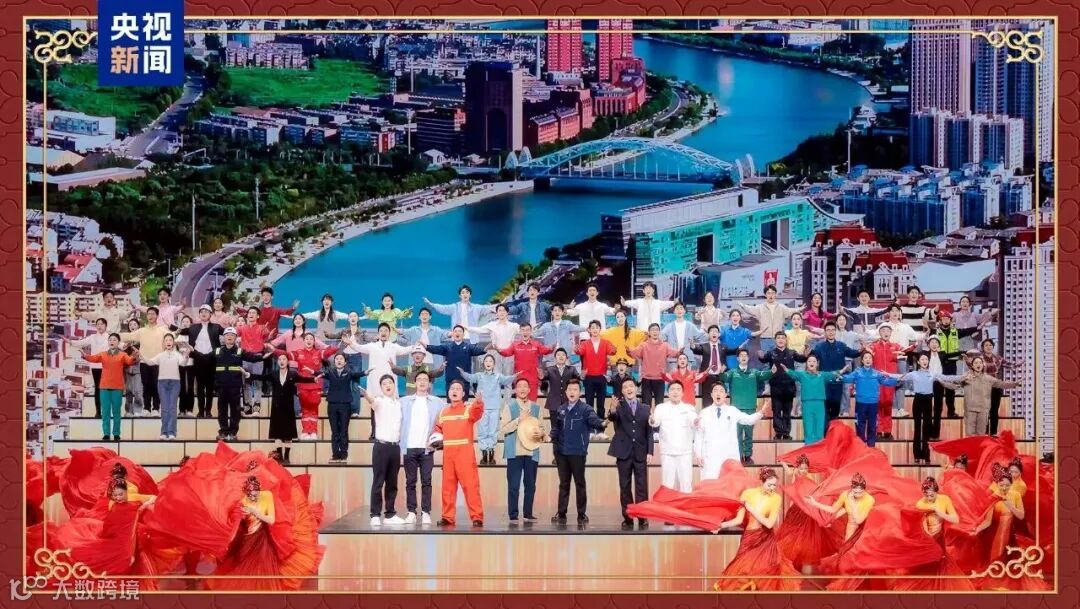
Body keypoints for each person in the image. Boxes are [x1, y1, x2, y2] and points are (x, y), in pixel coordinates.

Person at [715, 468, 801, 591]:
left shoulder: (776, 498)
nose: (772, 488)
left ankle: (759, 597)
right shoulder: (747, 494)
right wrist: (720, 525)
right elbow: (738, 520)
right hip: (749, 538)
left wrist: (751, 509)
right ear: (761, 482)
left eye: (774, 485)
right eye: (769, 485)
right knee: (741, 569)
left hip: (766, 538)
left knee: (764, 569)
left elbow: (769, 524)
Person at [550, 379, 607, 524]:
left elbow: (595, 421)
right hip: (562, 452)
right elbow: (556, 428)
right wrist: (549, 436)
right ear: (566, 392)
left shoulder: (586, 409)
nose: (572, 392)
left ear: (580, 392)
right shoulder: (561, 409)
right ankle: (561, 513)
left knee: (579, 483)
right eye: (570, 389)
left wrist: (603, 422)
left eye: (575, 389)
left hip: (578, 452)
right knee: (564, 483)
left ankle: (581, 514)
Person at [343, 323, 414, 439]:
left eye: (386, 330)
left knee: (390, 409)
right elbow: (358, 347)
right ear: (378, 333)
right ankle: (374, 432)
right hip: (375, 382)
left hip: (389, 382)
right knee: (375, 406)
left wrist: (416, 345)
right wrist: (350, 343)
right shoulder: (372, 346)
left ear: (389, 333)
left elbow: (406, 350)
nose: (383, 333)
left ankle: (391, 433)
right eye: (381, 330)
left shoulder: (393, 347)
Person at [432, 380, 485, 527]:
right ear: (448, 393)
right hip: (448, 456)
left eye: (458, 389)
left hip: (465, 455)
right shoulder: (443, 412)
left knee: (471, 486)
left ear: (463, 394)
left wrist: (478, 402)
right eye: (452, 388)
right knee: (447, 488)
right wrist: (435, 440)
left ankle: (477, 517)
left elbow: (477, 413)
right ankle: (447, 517)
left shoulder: (468, 409)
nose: (455, 391)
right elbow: (438, 430)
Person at [777, 455, 840, 572]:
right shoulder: (795, 473)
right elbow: (789, 473)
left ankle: (803, 564)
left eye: (806, 468)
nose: (804, 471)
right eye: (801, 468)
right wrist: (783, 462)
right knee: (793, 535)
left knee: (805, 537)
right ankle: (792, 563)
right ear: (797, 467)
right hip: (796, 509)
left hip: (806, 509)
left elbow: (812, 494)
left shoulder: (809, 478)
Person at [898, 352, 963, 464]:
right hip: (918, 401)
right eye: (922, 359)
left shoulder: (933, 374)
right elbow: (898, 377)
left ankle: (926, 455)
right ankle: (917, 455)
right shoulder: (914, 374)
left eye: (926, 359)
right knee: (917, 428)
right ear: (918, 362)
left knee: (926, 429)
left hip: (928, 401)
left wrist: (963, 377)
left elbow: (947, 377)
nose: (925, 361)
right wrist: (885, 374)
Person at [606, 377, 653, 529]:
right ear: (622, 391)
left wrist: (650, 451)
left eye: (631, 386)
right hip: (623, 452)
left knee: (641, 486)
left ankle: (642, 516)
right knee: (625, 486)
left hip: (640, 452)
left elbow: (649, 432)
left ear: (636, 388)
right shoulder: (618, 407)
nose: (629, 389)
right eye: (625, 387)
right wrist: (612, 408)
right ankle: (628, 517)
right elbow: (612, 417)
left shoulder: (646, 408)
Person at [399, 370, 444, 525]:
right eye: (419, 379)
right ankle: (411, 512)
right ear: (415, 382)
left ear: (430, 383)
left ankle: (426, 512)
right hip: (409, 447)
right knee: (410, 482)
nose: (422, 382)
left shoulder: (437, 402)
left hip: (427, 449)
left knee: (426, 481)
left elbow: (447, 414)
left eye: (425, 379)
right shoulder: (404, 401)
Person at [694, 384, 766, 479]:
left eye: (721, 391)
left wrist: (761, 413)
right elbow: (699, 435)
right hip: (710, 455)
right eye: (715, 391)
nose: (718, 393)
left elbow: (748, 420)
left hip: (728, 454)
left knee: (728, 482)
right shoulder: (704, 413)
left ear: (726, 394)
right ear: (711, 395)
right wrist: (698, 454)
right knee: (710, 482)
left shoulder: (732, 411)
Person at [499, 378, 546, 523]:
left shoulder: (536, 408)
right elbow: (503, 429)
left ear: (530, 390)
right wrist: (519, 419)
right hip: (515, 452)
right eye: (519, 386)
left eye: (525, 386)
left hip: (532, 451)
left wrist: (541, 434)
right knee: (513, 485)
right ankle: (513, 515)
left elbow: (542, 430)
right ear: (515, 390)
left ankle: (528, 514)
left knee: (530, 485)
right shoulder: (509, 407)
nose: (522, 389)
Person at [938, 356, 1019, 437]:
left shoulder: (988, 378)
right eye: (976, 363)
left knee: (981, 435)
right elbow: (954, 386)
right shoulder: (967, 377)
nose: (978, 364)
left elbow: (1001, 384)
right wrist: (943, 383)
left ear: (983, 365)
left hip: (983, 410)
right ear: (972, 366)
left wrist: (1014, 384)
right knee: (970, 435)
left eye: (980, 363)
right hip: (970, 410)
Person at [459, 354, 517, 466]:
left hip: (495, 407)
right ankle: (484, 453)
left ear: (494, 364)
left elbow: (506, 380)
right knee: (483, 430)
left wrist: (515, 376)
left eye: (490, 361)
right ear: (483, 364)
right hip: (482, 407)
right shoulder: (479, 375)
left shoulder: (498, 376)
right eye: (486, 361)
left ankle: (491, 452)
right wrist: (462, 373)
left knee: (493, 430)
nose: (488, 363)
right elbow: (470, 377)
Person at [362, 374, 406, 524]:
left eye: (390, 383)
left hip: (395, 447)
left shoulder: (399, 404)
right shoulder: (379, 401)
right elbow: (372, 401)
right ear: (381, 388)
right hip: (381, 447)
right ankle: (375, 515)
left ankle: (390, 514)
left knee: (392, 483)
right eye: (384, 384)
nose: (388, 385)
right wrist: (367, 396)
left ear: (394, 386)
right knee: (378, 481)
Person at [76, 333, 137, 440]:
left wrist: (134, 356)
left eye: (114, 340)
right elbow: (93, 358)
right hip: (104, 387)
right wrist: (84, 355)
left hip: (117, 387)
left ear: (118, 342)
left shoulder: (122, 355)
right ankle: (106, 433)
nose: (112, 341)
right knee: (105, 412)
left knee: (116, 412)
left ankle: (116, 433)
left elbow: (129, 361)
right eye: (110, 340)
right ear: (108, 342)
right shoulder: (103, 354)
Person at [720, 349, 773, 464]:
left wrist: (772, 371)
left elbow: (764, 375)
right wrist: (721, 372)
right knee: (737, 435)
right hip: (736, 408)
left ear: (748, 358)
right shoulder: (732, 372)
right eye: (741, 355)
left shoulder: (754, 372)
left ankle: (748, 456)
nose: (743, 357)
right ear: (737, 358)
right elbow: (724, 378)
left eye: (745, 355)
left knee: (749, 434)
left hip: (750, 407)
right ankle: (739, 457)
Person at [251, 353, 305, 463]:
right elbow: (262, 377)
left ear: (287, 362)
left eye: (284, 359)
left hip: (288, 408)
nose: (282, 361)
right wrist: (249, 375)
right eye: (280, 359)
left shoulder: (293, 374)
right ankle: (279, 455)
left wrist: (314, 379)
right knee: (277, 432)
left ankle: (287, 456)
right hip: (276, 407)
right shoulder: (274, 373)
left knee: (288, 433)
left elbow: (303, 379)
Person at [283, 333, 337, 440]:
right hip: (302, 386)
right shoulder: (298, 352)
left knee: (313, 409)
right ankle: (305, 431)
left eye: (311, 339)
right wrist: (273, 350)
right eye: (306, 339)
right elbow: (286, 355)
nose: (309, 341)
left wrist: (338, 346)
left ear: (314, 341)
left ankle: (313, 431)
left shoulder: (319, 353)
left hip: (316, 386)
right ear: (303, 341)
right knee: (305, 409)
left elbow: (330, 351)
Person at [840, 352, 898, 447]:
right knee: (860, 427)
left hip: (873, 404)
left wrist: (897, 380)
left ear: (872, 360)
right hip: (861, 404)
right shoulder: (857, 372)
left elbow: (887, 381)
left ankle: (871, 448)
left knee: (872, 427)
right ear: (862, 361)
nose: (868, 360)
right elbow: (847, 378)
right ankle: (861, 448)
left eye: (870, 358)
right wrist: (838, 375)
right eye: (866, 358)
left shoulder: (877, 373)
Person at [648, 383, 698, 493]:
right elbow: (655, 422)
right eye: (672, 389)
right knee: (667, 484)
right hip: (667, 452)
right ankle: (667, 504)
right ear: (668, 392)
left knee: (686, 484)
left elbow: (694, 421)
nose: (675, 392)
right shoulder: (661, 407)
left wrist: (697, 421)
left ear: (682, 393)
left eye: (678, 389)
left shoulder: (688, 408)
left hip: (685, 452)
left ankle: (685, 504)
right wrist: (652, 419)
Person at [120, 308, 170, 415]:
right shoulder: (142, 331)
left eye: (153, 314)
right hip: (144, 362)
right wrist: (113, 335)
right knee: (146, 386)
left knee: (156, 386)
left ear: (157, 316)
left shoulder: (163, 330)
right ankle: (147, 408)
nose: (150, 316)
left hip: (157, 362)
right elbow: (128, 336)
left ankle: (156, 408)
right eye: (148, 314)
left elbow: (172, 338)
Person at [757, 332, 806, 440]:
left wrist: (806, 355)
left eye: (783, 338)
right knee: (777, 411)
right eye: (778, 338)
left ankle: (786, 433)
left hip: (789, 386)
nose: (780, 340)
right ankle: (779, 433)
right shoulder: (771, 353)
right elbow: (763, 359)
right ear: (775, 340)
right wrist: (760, 356)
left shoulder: (792, 352)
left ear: (786, 340)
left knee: (787, 412)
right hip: (776, 386)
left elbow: (801, 359)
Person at [868, 323, 912, 439]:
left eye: (888, 331)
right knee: (878, 404)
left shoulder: (895, 346)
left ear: (891, 333)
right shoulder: (874, 346)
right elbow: (865, 354)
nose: (886, 333)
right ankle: (878, 430)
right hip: (877, 380)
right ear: (879, 333)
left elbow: (907, 350)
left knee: (888, 404)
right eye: (883, 331)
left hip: (890, 380)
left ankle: (887, 431)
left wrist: (913, 346)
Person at [812, 321, 863, 421]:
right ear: (825, 332)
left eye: (833, 330)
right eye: (828, 330)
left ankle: (834, 429)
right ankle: (825, 429)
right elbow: (812, 360)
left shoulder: (841, 345)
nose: (831, 332)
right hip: (824, 382)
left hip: (838, 381)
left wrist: (861, 350)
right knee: (825, 409)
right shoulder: (819, 347)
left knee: (836, 409)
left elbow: (852, 353)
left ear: (835, 332)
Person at [142, 333, 189, 440]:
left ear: (173, 343)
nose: (168, 342)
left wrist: (186, 356)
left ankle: (172, 432)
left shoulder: (177, 354)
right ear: (164, 343)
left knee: (172, 408)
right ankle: (164, 432)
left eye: (170, 340)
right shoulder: (160, 355)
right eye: (166, 340)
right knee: (164, 408)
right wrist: (141, 356)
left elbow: (183, 363)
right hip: (162, 383)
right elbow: (150, 362)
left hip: (175, 383)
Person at [934, 311, 980, 419]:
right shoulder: (935, 332)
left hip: (951, 364)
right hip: (938, 364)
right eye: (943, 319)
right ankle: (937, 414)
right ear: (940, 321)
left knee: (950, 389)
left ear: (950, 320)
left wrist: (978, 327)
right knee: (938, 390)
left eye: (947, 319)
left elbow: (968, 331)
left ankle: (951, 412)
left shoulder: (955, 332)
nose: (946, 321)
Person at [966, 338, 1017, 435]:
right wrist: (967, 361)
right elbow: (971, 366)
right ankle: (984, 432)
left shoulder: (998, 358)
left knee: (994, 410)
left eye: (990, 345)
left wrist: (1019, 363)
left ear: (993, 347)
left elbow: (1009, 365)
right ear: (983, 347)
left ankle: (993, 432)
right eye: (986, 345)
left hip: (996, 387)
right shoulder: (979, 359)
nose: (988, 347)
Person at [783, 355, 835, 445]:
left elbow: (833, 375)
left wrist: (842, 371)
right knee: (808, 426)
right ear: (806, 364)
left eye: (814, 361)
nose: (812, 363)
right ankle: (809, 446)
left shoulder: (822, 375)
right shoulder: (802, 375)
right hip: (807, 404)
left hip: (819, 403)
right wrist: (786, 370)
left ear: (817, 364)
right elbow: (793, 374)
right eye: (809, 361)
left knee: (819, 425)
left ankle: (819, 446)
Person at [424, 325, 488, 398]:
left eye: (460, 331)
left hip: (464, 382)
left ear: (463, 335)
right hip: (450, 381)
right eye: (455, 331)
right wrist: (426, 346)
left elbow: (481, 350)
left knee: (463, 403)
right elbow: (435, 349)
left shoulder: (468, 347)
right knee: (450, 403)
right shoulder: (447, 347)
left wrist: (490, 346)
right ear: (453, 334)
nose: (457, 333)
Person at [627, 323, 681, 408]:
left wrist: (679, 352)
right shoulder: (644, 345)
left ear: (659, 332)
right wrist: (629, 350)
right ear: (649, 332)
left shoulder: (665, 345)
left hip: (660, 379)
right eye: (652, 330)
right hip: (646, 379)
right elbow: (635, 352)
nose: (655, 332)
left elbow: (674, 353)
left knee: (659, 405)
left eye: (657, 330)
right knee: (646, 405)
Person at [215, 328, 255, 441]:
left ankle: (233, 432)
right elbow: (205, 358)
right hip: (221, 387)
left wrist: (264, 355)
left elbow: (253, 357)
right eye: (227, 334)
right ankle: (223, 432)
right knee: (222, 410)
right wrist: (192, 353)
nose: (229, 336)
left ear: (236, 338)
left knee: (235, 411)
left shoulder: (240, 351)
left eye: (232, 335)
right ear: (223, 337)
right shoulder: (217, 351)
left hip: (235, 387)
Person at [497, 322, 554, 401]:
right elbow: (507, 352)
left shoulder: (536, 344)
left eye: (527, 330)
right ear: (520, 332)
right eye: (523, 330)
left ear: (531, 331)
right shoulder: (515, 345)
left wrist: (552, 348)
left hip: (533, 378)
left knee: (532, 403)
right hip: (520, 378)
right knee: (520, 403)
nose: (525, 332)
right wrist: (498, 350)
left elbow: (545, 350)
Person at [185, 305, 224, 419]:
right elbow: (180, 331)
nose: (204, 313)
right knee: (200, 387)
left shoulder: (216, 327)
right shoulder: (193, 327)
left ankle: (209, 411)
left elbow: (228, 334)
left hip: (212, 358)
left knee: (210, 387)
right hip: (198, 358)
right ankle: (201, 411)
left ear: (211, 314)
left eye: (206, 311)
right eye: (201, 311)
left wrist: (217, 353)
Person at [326, 354, 367, 464]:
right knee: (335, 431)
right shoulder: (330, 372)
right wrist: (313, 372)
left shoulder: (349, 373)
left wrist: (365, 372)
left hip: (345, 405)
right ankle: (335, 455)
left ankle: (344, 454)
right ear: (334, 362)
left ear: (345, 362)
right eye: (337, 359)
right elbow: (320, 374)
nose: (339, 361)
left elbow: (358, 374)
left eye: (341, 359)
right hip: (332, 405)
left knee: (343, 431)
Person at [574, 321, 617, 422]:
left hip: (602, 377)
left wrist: (614, 349)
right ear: (589, 330)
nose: (594, 329)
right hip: (589, 377)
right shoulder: (585, 343)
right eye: (592, 328)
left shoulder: (606, 342)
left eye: (597, 327)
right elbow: (579, 351)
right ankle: (589, 426)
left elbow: (612, 351)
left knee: (601, 404)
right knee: (589, 404)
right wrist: (576, 349)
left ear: (600, 329)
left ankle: (600, 427)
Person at [734, 285, 799, 352]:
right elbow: (750, 309)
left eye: (773, 293)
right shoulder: (760, 307)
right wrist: (743, 306)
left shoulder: (781, 307)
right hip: (765, 339)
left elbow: (790, 311)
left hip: (778, 338)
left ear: (775, 294)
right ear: (765, 295)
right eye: (769, 293)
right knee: (766, 358)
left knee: (778, 357)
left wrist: (800, 309)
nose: (771, 295)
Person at [70, 318, 110, 418]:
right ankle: (98, 412)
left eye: (102, 324)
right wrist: (70, 341)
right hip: (96, 366)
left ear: (105, 326)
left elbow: (120, 345)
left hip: (107, 367)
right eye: (98, 324)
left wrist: (125, 345)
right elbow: (81, 342)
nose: (99, 326)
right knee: (98, 389)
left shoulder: (109, 337)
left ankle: (106, 411)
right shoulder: (92, 337)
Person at [424, 285, 495, 340]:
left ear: (470, 295)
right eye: (463, 293)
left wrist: (499, 306)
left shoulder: (476, 308)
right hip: (457, 338)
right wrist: (431, 305)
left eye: (467, 292)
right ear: (460, 296)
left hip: (472, 339)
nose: (465, 294)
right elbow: (443, 308)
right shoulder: (454, 307)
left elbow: (488, 308)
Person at [236, 307, 272, 416]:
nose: (251, 314)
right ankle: (247, 406)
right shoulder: (242, 328)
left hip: (257, 357)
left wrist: (267, 332)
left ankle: (256, 407)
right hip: (245, 358)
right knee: (245, 383)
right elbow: (233, 334)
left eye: (253, 313)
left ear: (258, 316)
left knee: (257, 383)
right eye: (249, 313)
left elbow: (267, 336)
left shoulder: (262, 328)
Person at [691, 325, 728, 401]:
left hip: (719, 377)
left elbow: (732, 352)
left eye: (716, 331)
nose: (714, 333)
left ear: (719, 334)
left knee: (719, 400)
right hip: (707, 377)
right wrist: (693, 345)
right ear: (708, 334)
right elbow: (697, 349)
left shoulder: (723, 347)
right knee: (707, 400)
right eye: (711, 331)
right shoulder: (704, 346)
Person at [538, 349, 580, 416]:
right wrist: (541, 376)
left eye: (563, 355)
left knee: (567, 422)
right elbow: (543, 377)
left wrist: (582, 376)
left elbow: (579, 378)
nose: (561, 356)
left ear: (566, 358)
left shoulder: (572, 369)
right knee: (554, 422)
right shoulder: (550, 369)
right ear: (555, 358)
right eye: (558, 355)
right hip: (553, 403)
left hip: (568, 402)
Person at [121, 319, 145, 416]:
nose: (132, 326)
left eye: (135, 324)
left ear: (138, 326)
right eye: (130, 324)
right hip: (127, 368)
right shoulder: (125, 340)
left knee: (138, 391)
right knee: (128, 391)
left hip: (138, 367)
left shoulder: (142, 339)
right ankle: (128, 411)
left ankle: (138, 410)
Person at [175, 315, 195, 417]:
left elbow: (195, 349)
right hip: (180, 363)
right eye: (183, 321)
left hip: (191, 362)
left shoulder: (193, 334)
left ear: (191, 324)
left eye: (187, 321)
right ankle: (182, 409)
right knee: (181, 386)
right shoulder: (178, 335)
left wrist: (188, 350)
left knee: (190, 386)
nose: (185, 323)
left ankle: (190, 409)